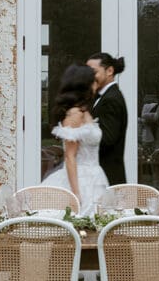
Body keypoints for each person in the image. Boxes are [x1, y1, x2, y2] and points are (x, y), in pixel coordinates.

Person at [39, 64, 109, 215]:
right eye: (93, 81)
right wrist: (76, 193)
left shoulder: (85, 111)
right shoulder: (75, 114)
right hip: (80, 179)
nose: (96, 84)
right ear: (84, 84)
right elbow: (70, 156)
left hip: (95, 176)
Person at [86, 52, 128, 185]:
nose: (89, 77)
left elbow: (107, 139)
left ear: (109, 71)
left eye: (94, 72)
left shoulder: (112, 99)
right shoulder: (100, 97)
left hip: (107, 175)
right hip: (97, 175)